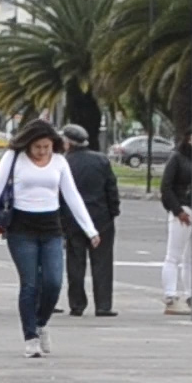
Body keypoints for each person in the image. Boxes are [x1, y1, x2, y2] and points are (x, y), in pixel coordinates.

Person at [0, 120, 100, 359]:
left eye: (47, 147)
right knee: (30, 284)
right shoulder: (13, 158)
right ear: (28, 144)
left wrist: (90, 230)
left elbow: (72, 197)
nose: (43, 151)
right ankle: (30, 336)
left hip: (51, 228)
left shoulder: (60, 162)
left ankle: (41, 322)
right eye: (38, 147)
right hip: (21, 230)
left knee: (53, 282)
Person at [60, 124, 121, 318]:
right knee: (102, 263)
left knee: (75, 263)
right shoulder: (101, 160)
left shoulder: (64, 163)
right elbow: (111, 189)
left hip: (72, 220)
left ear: (68, 142)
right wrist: (112, 212)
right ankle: (103, 305)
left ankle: (77, 304)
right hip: (100, 218)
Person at [160, 134, 192, 315]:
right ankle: (170, 295)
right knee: (174, 255)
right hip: (183, 209)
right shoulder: (177, 158)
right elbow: (166, 187)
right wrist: (177, 210)